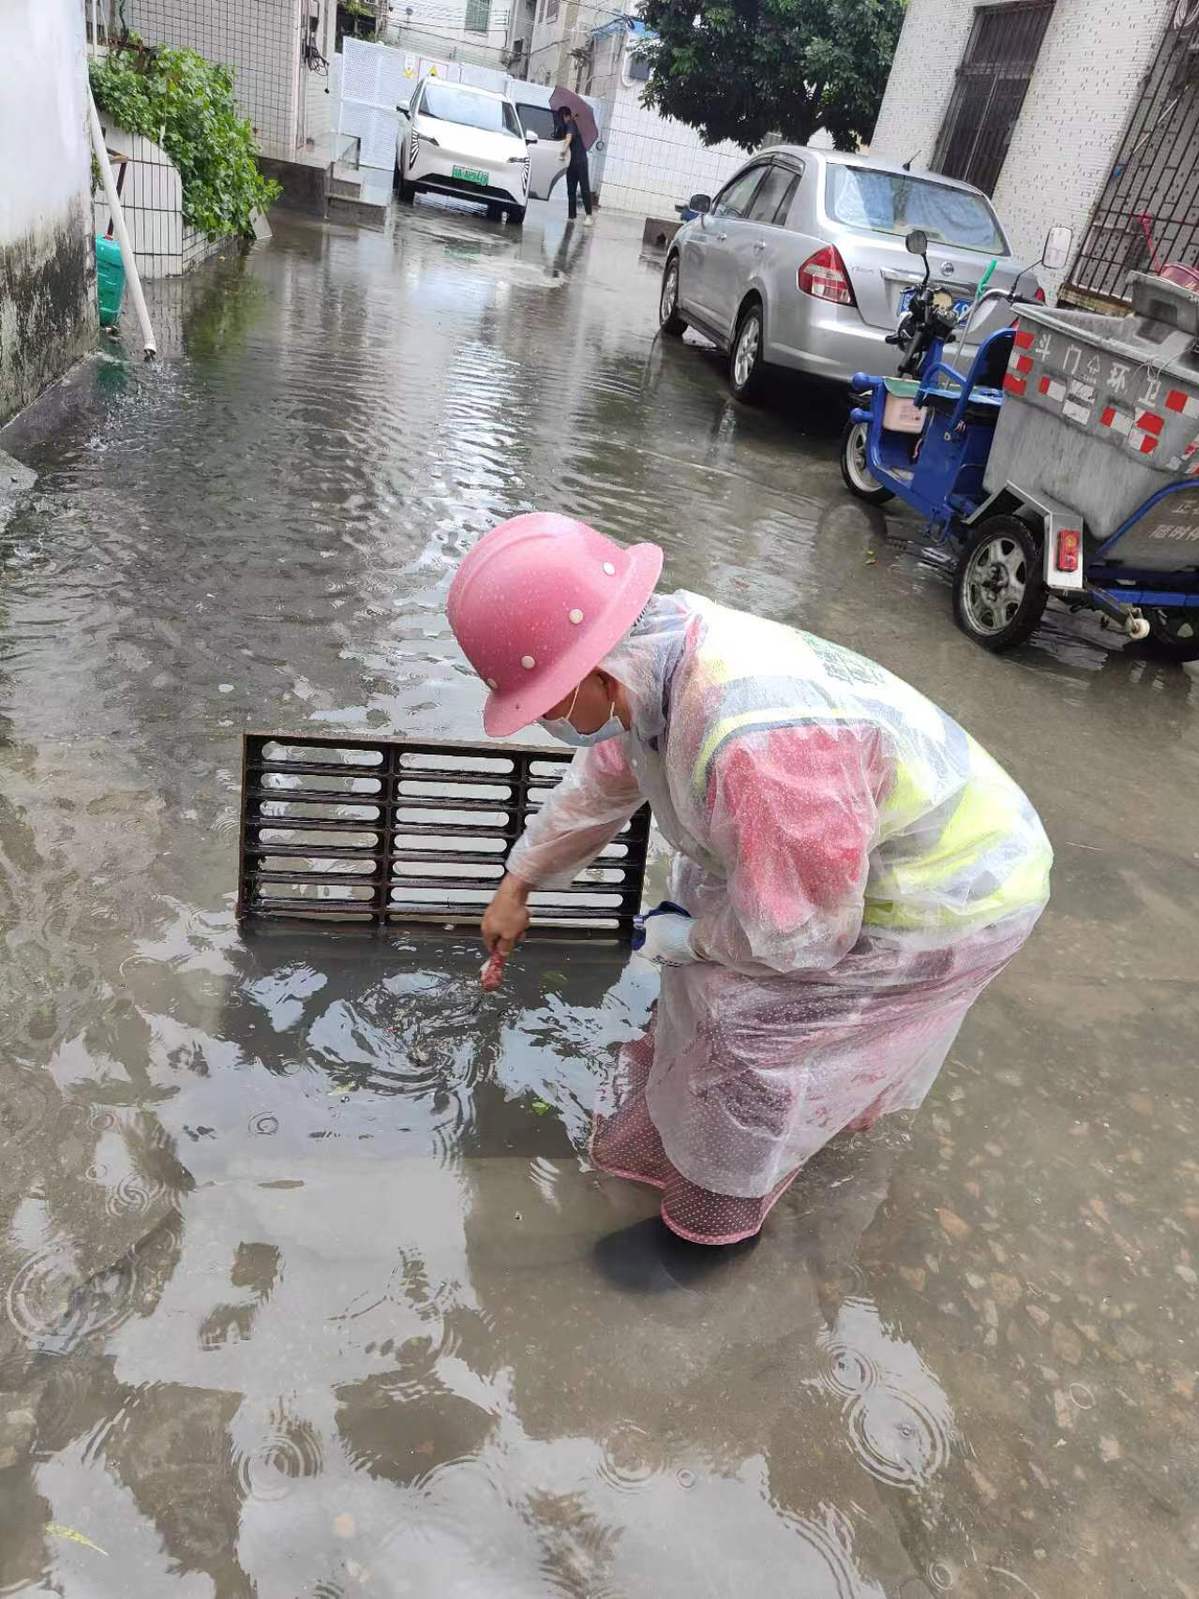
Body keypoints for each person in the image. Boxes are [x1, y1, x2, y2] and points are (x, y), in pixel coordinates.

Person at [446, 514, 1052, 1246]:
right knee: (697, 971)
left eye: (542, 701)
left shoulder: (757, 745)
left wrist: (694, 938)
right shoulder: (653, 656)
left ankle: (712, 1218)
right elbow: (606, 776)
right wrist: (520, 880)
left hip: (950, 890)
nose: (543, 718)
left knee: (746, 1034)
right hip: (835, 848)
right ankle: (678, 1144)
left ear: (593, 673)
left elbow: (802, 939)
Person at [558, 105, 593, 225]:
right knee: (571, 190)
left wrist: (563, 150)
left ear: (564, 116)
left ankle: (589, 216)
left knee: (584, 189)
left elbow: (569, 137)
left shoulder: (571, 124)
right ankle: (571, 216)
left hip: (581, 162)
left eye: (560, 117)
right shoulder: (566, 126)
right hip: (571, 163)